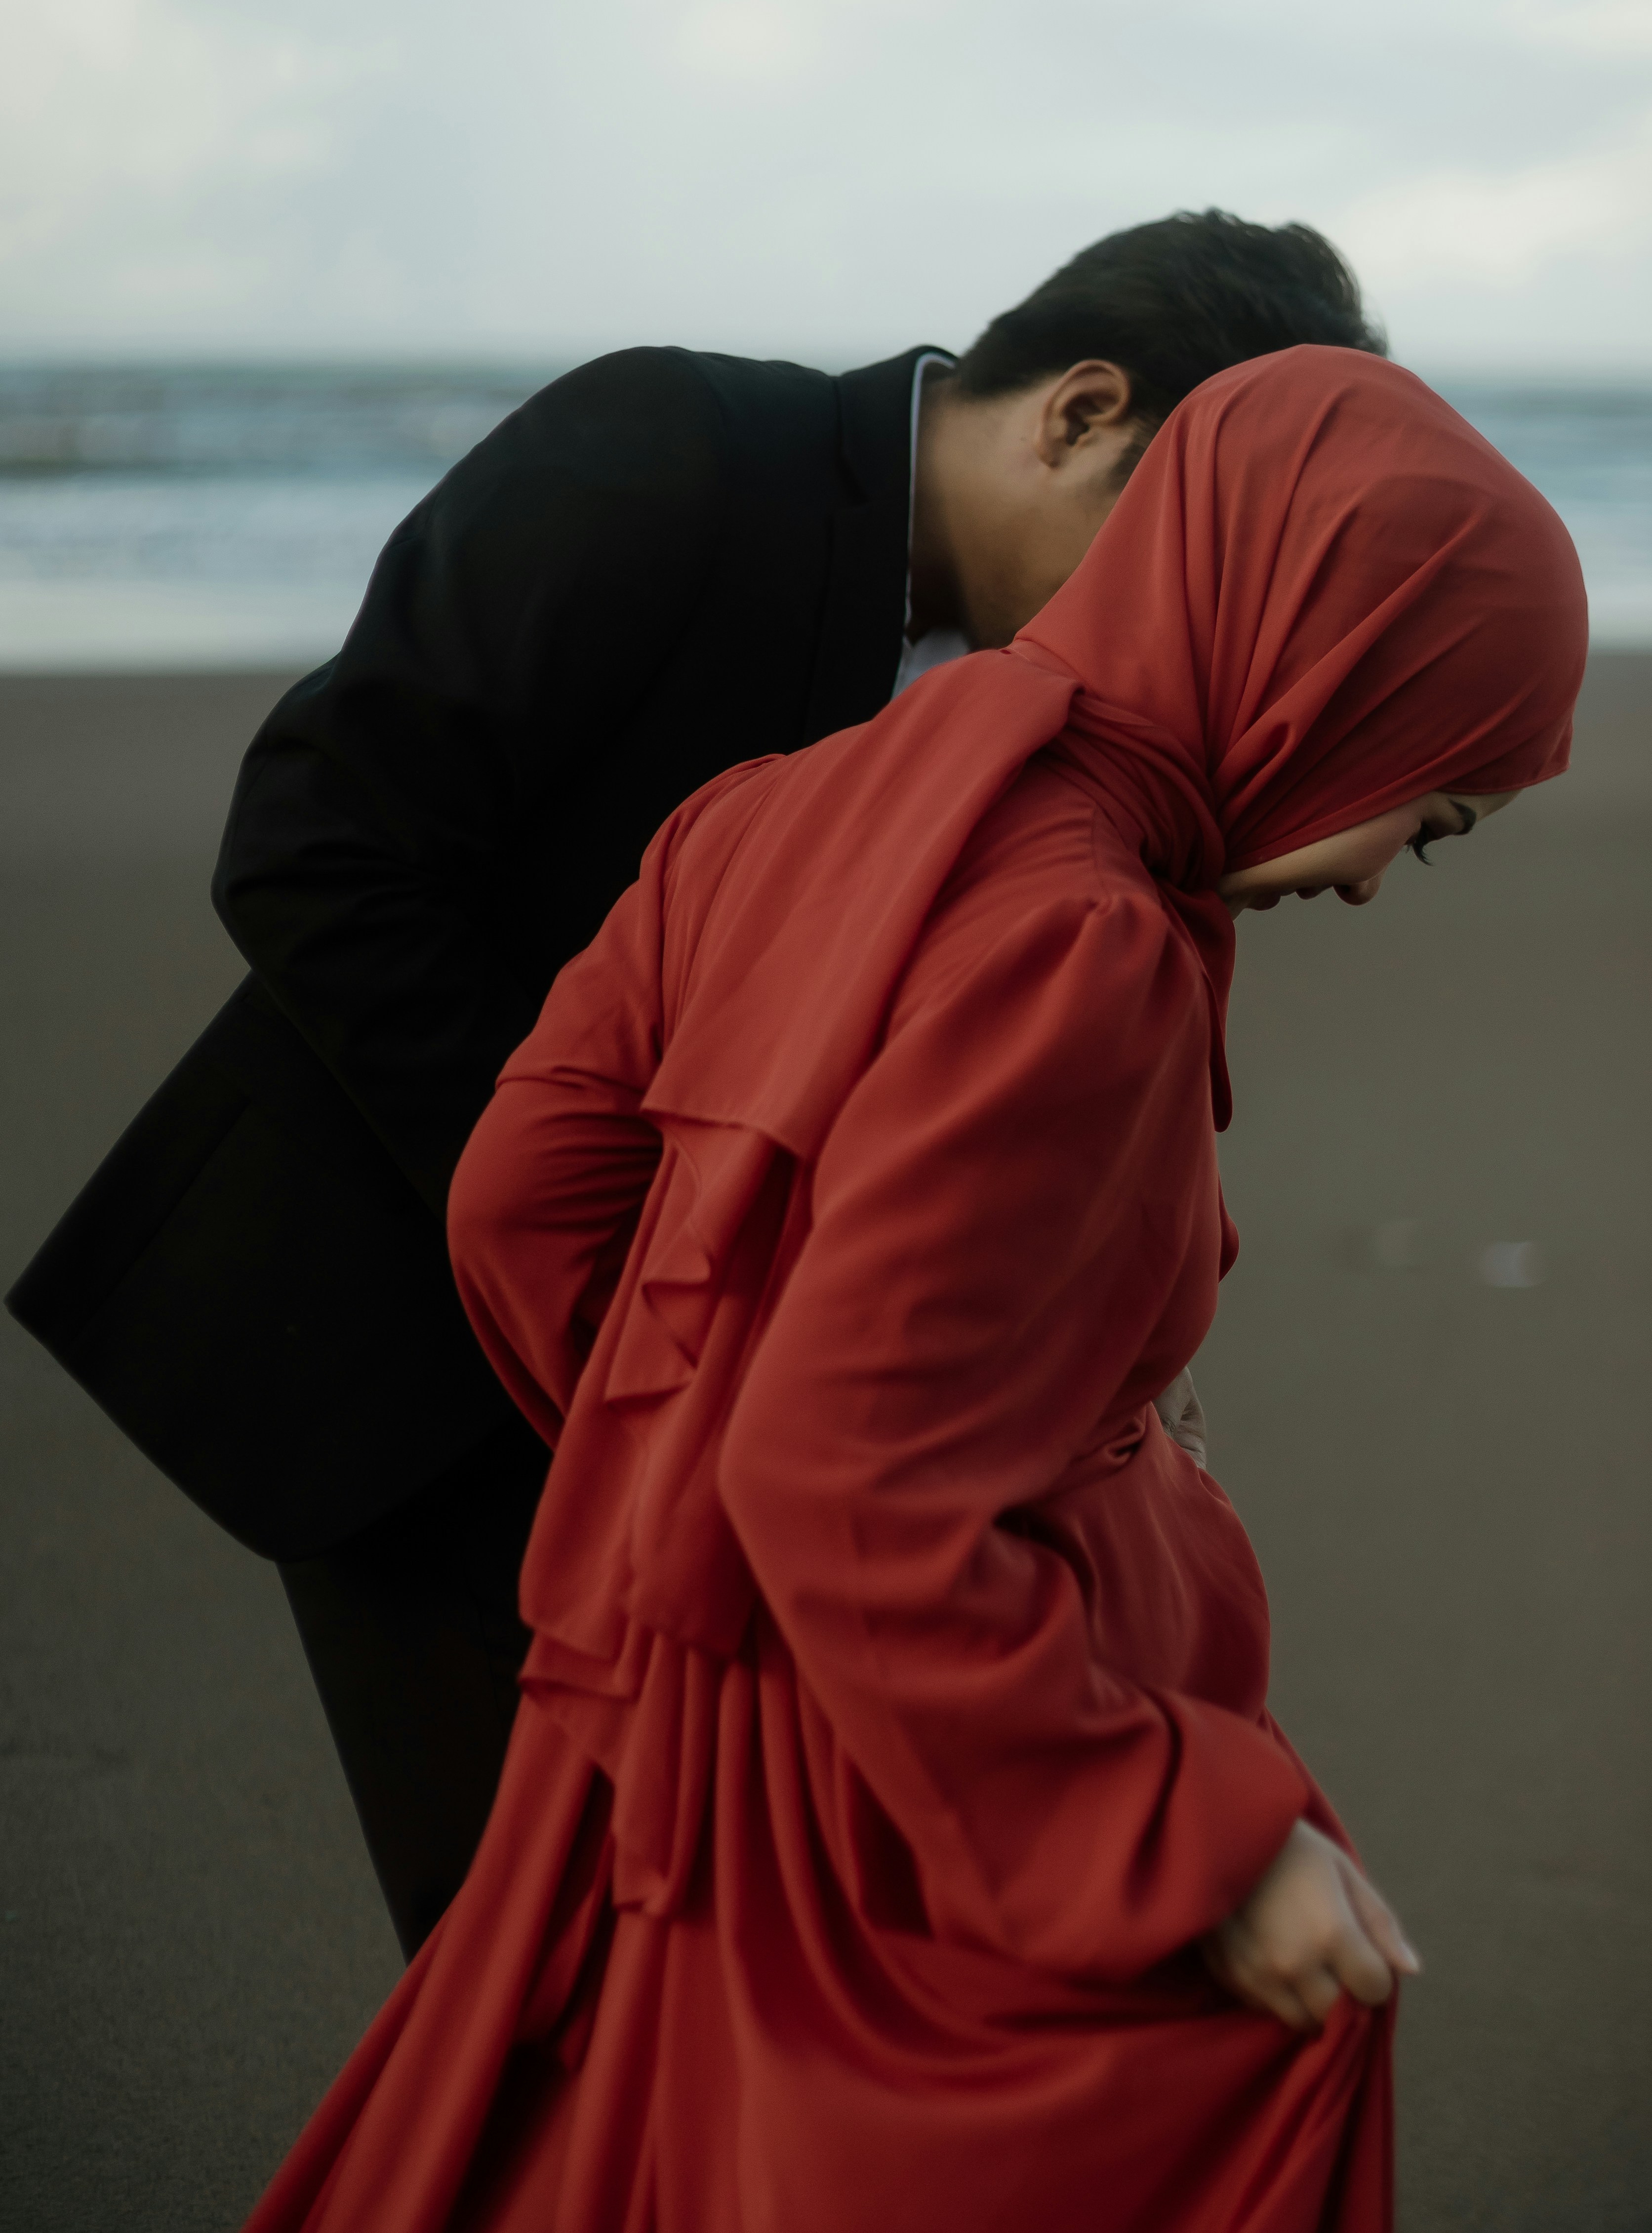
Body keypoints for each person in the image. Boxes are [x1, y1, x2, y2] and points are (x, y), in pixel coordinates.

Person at [195, 346, 1586, 2233]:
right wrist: (1177, 1837)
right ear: (1318, 670)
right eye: (1423, 815)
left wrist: (670, 1456)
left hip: (682, 1712)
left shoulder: (801, 796)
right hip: (889, 1784)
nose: (1372, 881)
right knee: (1254, 2069)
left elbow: (523, 1185)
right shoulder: (1083, 939)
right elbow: (846, 1469)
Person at [7, 212, 1386, 1959]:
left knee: (706, 1934)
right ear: (1081, 409)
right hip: (393, 1318)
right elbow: (311, 846)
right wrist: (638, 1218)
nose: (1185, 600)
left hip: (729, 1390)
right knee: (535, 1954)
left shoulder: (1038, 711)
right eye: (1183, 531)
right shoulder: (670, 452)